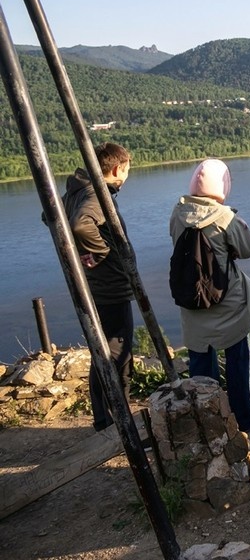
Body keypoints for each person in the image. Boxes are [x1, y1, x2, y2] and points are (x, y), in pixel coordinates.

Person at [169, 159, 250, 432]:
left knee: (200, 365)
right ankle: (242, 421)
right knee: (237, 362)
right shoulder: (224, 217)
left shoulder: (177, 213)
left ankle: (207, 422)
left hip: (192, 301)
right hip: (227, 303)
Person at [61, 142, 135, 431]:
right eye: (128, 169)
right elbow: (80, 225)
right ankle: (116, 422)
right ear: (117, 168)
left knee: (104, 353)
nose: (128, 175)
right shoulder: (95, 194)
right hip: (110, 287)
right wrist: (101, 252)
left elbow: (51, 217)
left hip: (94, 286)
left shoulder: (76, 190)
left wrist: (80, 253)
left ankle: (106, 419)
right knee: (117, 353)